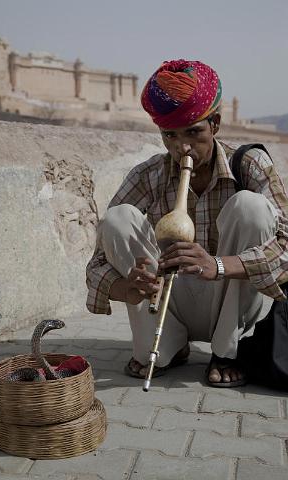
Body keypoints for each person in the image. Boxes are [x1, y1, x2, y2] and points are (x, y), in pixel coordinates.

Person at [86, 59, 288, 387]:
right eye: (170, 136)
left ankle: (226, 351)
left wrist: (219, 266)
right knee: (117, 218)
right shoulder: (147, 175)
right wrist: (129, 287)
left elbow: (286, 246)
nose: (182, 147)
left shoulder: (250, 164)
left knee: (251, 207)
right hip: (169, 298)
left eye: (194, 132)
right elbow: (96, 262)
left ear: (216, 125)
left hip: (229, 297)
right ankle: (169, 347)